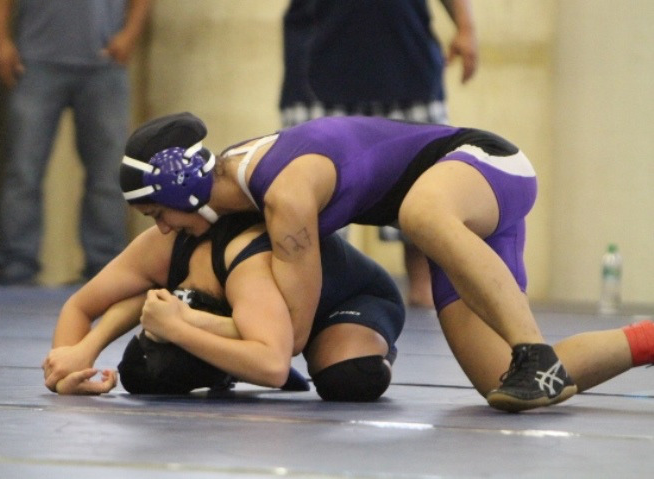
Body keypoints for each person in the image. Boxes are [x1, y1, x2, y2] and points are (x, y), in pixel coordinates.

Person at [119, 112, 654, 412]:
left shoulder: (284, 199)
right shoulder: (243, 183)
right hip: (461, 215)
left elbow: (294, 337)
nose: (161, 229)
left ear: (182, 190)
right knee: (500, 380)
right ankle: (642, 341)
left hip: (481, 165)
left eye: (157, 214)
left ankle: (533, 352)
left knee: (419, 214)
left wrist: (188, 325)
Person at [42, 209, 405, 401]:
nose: (162, 227)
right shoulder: (171, 245)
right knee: (142, 374)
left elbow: (274, 366)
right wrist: (74, 364)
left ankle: (377, 350)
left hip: (347, 300)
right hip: (269, 322)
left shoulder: (241, 254)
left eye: (158, 212)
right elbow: (91, 305)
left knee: (348, 379)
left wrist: (177, 327)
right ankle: (232, 362)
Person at [279, 0, 478, 308]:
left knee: (425, 186)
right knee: (309, 198)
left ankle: (425, 293)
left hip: (407, 59)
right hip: (319, 60)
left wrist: (466, 27)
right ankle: (311, 297)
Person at [0, 0, 151, 284]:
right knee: (23, 172)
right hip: (35, 62)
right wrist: (0, 41)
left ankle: (105, 268)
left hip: (104, 64)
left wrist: (130, 35)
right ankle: (16, 269)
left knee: (108, 175)